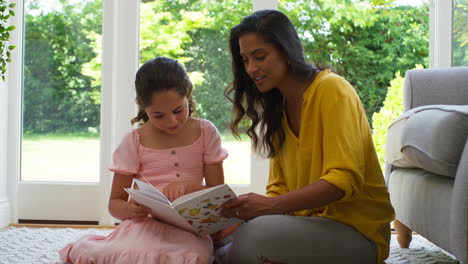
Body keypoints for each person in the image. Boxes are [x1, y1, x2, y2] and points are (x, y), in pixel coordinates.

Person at [219, 9, 395, 264]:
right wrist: (248, 214)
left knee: (252, 238)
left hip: (358, 234)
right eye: (246, 60)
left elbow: (342, 180)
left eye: (259, 56)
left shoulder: (332, 90)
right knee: (225, 238)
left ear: (286, 51)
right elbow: (280, 187)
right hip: (309, 227)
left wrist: (267, 209)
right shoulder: (278, 106)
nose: (251, 68)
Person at [59, 57, 228, 264]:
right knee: (129, 255)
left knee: (193, 257)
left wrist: (187, 188)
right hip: (144, 226)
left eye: (178, 110)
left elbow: (219, 196)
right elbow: (115, 204)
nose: (172, 121)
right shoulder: (135, 141)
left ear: (188, 95)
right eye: (159, 115)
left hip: (188, 227)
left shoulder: (205, 132)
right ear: (142, 106)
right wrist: (130, 210)